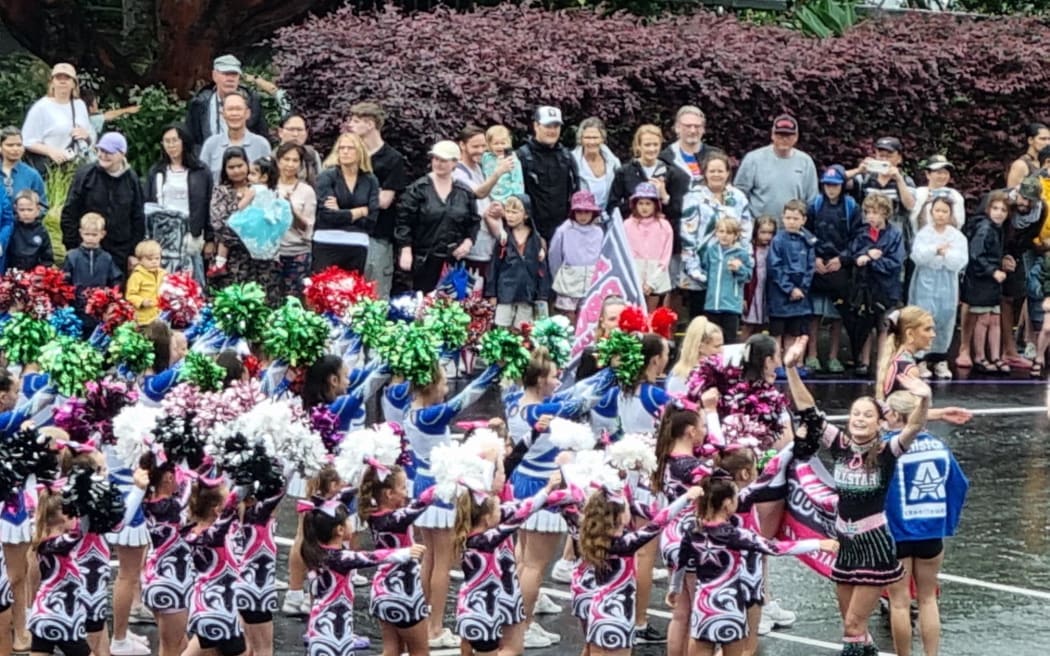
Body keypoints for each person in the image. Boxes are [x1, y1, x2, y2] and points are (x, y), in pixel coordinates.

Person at [782, 342, 931, 656]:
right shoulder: (840, 446)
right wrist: (792, 369)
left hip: (873, 546)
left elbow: (915, 425)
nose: (860, 419)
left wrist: (925, 398)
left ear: (880, 423)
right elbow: (809, 411)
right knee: (853, 631)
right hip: (845, 546)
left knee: (853, 627)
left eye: (867, 415)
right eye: (855, 414)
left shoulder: (886, 452)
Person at [673, 473, 836, 656]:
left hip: (703, 606)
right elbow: (774, 547)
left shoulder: (692, 530)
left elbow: (681, 565)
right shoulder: (734, 534)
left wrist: (674, 589)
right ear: (727, 504)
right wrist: (818, 544)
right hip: (730, 605)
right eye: (736, 497)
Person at [883, 391, 969, 656]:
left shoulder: (887, 447)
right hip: (931, 533)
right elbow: (959, 485)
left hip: (896, 533)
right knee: (928, 598)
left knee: (899, 603)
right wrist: (946, 523)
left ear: (897, 415)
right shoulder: (939, 447)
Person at [577, 481, 702, 656]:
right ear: (619, 517)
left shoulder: (596, 538)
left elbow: (653, 516)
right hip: (618, 616)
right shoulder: (625, 544)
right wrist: (686, 498)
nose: (632, 507)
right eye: (628, 506)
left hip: (597, 612)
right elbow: (657, 523)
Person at [359, 464, 437, 656]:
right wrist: (448, 479)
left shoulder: (373, 515)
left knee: (391, 651)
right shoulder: (396, 519)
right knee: (419, 652)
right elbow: (422, 502)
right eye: (403, 487)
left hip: (382, 592)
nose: (406, 492)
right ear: (388, 493)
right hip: (404, 595)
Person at [395, 141, 480, 293]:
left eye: (444, 160)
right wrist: (405, 250)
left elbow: (473, 222)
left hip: (453, 260)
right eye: (436, 159)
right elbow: (403, 222)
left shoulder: (465, 192)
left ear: (455, 162)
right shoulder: (417, 189)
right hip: (422, 259)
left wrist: (468, 242)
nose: (439, 164)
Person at [349, 101, 409, 299]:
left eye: (356, 121)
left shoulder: (393, 159)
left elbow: (384, 201)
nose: (350, 125)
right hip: (348, 232)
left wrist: (356, 195)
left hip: (377, 235)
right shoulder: (349, 155)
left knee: (375, 295)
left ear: (370, 124)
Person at [680, 151, 752, 317]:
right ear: (705, 173)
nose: (716, 174)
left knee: (727, 323)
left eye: (720, 171)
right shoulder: (694, 197)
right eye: (712, 171)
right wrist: (694, 269)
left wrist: (744, 262)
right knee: (701, 323)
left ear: (728, 173)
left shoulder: (739, 197)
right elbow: (687, 234)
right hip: (701, 269)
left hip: (729, 271)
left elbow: (746, 232)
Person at [60, 132, 145, 273]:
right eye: (101, 150)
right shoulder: (85, 175)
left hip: (119, 252)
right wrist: (74, 248)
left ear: (122, 154)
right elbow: (69, 213)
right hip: (86, 250)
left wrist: (132, 252)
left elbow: (137, 217)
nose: (103, 155)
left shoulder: (132, 179)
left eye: (109, 152)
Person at [144, 124, 213, 282]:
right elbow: (148, 203)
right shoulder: (157, 171)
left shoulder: (201, 171)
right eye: (167, 141)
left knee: (191, 278)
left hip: (190, 234)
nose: (171, 145)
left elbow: (208, 204)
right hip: (163, 235)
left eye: (175, 140)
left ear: (184, 142)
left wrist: (210, 238)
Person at [807, 165, 860, 373]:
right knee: (814, 313)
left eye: (835, 185)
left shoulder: (851, 207)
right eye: (828, 185)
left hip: (839, 266)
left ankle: (833, 356)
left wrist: (843, 258)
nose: (831, 189)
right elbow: (807, 232)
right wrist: (814, 258)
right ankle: (811, 355)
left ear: (842, 186)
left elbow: (857, 237)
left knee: (837, 313)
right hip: (819, 265)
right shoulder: (815, 205)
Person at [209, 147, 281, 300]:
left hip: (261, 257)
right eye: (231, 167)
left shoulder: (261, 188)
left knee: (262, 301)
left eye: (240, 166)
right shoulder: (221, 191)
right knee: (236, 302)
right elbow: (220, 224)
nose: (236, 171)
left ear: (247, 165)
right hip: (234, 257)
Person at [909, 196, 968, 379]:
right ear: (931, 212)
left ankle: (940, 359)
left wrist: (945, 255)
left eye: (945, 211)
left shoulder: (957, 236)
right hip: (926, 280)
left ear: (950, 214)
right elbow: (918, 256)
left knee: (945, 317)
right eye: (937, 210)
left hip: (947, 282)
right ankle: (921, 359)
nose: (940, 215)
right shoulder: (924, 234)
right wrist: (935, 250)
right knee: (924, 317)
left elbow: (960, 261)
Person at [28, 491, 91, 656]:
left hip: (45, 612)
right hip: (61, 617)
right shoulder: (52, 544)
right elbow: (80, 532)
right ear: (64, 516)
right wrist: (89, 508)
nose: (76, 519)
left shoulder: (47, 542)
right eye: (73, 514)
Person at [850, 194, 905, 376]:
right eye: (869, 212)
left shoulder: (895, 234)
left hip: (886, 287)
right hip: (864, 287)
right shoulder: (861, 233)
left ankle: (883, 362)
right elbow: (854, 254)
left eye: (876, 212)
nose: (871, 216)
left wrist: (874, 261)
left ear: (885, 213)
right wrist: (864, 255)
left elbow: (895, 262)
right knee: (865, 324)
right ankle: (863, 361)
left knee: (884, 326)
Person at [455, 125, 514, 282]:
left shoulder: (479, 167)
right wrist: (498, 172)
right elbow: (479, 193)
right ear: (462, 145)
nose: (481, 150)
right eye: (475, 146)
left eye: (483, 146)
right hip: (471, 245)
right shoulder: (458, 171)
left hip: (487, 242)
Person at [312, 133, 377, 274]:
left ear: (360, 152)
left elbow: (372, 219)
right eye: (342, 148)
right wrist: (359, 211)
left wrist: (340, 211)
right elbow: (327, 216)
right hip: (326, 242)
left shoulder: (370, 180)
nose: (345, 152)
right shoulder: (326, 176)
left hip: (357, 244)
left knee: (352, 291)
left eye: (350, 148)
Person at [734, 115, 818, 221]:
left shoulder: (806, 162)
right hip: (760, 230)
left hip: (792, 228)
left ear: (796, 137)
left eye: (788, 136)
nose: (784, 139)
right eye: (780, 135)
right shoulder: (753, 159)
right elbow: (739, 194)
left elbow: (811, 200)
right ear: (772, 135)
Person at [962, 189, 1011, 374]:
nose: (999, 213)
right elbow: (975, 255)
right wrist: (992, 271)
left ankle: (996, 355)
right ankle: (980, 356)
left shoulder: (998, 230)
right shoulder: (984, 228)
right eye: (996, 208)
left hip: (992, 282)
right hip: (981, 280)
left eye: (1003, 210)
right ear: (988, 209)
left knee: (995, 319)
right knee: (983, 319)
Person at [485, 194, 549, 329]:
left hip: (527, 294)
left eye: (515, 212)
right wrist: (492, 294)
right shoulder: (503, 239)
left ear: (526, 215)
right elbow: (494, 267)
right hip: (505, 293)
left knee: (522, 331)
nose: (510, 216)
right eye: (507, 211)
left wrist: (542, 295)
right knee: (501, 329)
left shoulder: (536, 240)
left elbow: (542, 270)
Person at [609, 124, 689, 230]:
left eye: (655, 144)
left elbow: (679, 212)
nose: (652, 149)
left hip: (660, 234)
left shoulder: (672, 173)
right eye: (647, 145)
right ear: (638, 146)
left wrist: (665, 196)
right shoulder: (624, 172)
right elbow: (612, 207)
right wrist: (636, 201)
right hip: (631, 233)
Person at [517, 106, 579, 242]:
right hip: (530, 233)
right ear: (536, 126)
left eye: (556, 126)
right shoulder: (522, 156)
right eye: (548, 126)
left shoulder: (567, 157)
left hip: (563, 232)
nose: (552, 131)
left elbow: (576, 194)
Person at [21, 62, 95, 171]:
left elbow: (90, 135)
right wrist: (51, 151)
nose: (62, 81)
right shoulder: (41, 107)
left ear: (74, 83)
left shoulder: (79, 105)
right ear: (52, 82)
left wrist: (86, 136)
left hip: (75, 165)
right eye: (58, 78)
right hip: (49, 166)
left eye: (67, 78)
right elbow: (27, 140)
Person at [767, 199, 815, 360]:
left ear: (804, 220)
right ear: (783, 218)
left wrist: (802, 288)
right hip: (779, 296)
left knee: (794, 334)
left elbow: (810, 267)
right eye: (788, 218)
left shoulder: (808, 241)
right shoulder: (778, 240)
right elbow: (775, 267)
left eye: (795, 218)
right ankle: (777, 364)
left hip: (800, 298)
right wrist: (789, 288)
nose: (791, 222)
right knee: (777, 333)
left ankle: (791, 364)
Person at [185, 55, 268, 149]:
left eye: (234, 74)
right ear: (214, 76)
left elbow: (263, 137)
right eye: (225, 74)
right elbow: (191, 141)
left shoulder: (252, 102)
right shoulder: (200, 104)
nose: (230, 79)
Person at [548, 190, 603, 324]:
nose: (583, 216)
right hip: (569, 278)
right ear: (573, 212)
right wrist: (558, 276)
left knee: (588, 314)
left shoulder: (599, 232)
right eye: (579, 212)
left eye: (587, 212)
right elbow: (554, 255)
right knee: (567, 317)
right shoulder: (564, 230)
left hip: (591, 279)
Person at [845, 136, 917, 236]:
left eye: (888, 156)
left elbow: (910, 206)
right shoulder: (865, 179)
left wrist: (899, 180)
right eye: (881, 156)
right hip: (867, 235)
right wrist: (858, 170)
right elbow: (837, 181)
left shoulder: (906, 181)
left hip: (896, 237)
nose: (884, 160)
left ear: (899, 158)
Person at [62, 213, 123, 324]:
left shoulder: (106, 258)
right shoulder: (72, 256)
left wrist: (111, 300)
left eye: (94, 235)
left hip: (99, 310)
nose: (90, 238)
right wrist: (66, 302)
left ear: (102, 234)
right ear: (81, 233)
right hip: (76, 309)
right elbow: (64, 281)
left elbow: (116, 281)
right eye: (87, 234)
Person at [198, 92, 272, 182]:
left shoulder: (261, 144)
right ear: (222, 114)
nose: (234, 113)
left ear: (247, 113)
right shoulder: (211, 144)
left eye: (238, 109)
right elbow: (201, 179)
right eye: (230, 109)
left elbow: (269, 179)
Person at [273, 142, 317, 294]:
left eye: (295, 160)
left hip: (297, 253)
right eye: (286, 159)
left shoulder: (306, 191)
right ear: (278, 161)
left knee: (295, 299)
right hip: (271, 253)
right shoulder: (268, 187)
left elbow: (306, 227)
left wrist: (290, 208)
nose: (290, 164)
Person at [702, 217, 753, 343]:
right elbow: (704, 270)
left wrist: (739, 268)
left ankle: (728, 363)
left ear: (736, 235)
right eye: (721, 231)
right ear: (716, 233)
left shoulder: (741, 253)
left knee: (729, 340)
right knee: (711, 339)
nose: (724, 236)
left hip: (731, 306)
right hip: (712, 304)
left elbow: (747, 277)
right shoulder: (711, 251)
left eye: (729, 233)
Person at [624, 182, 674, 310]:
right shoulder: (627, 225)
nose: (644, 207)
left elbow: (666, 257)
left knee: (654, 319)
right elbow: (624, 255)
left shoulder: (664, 225)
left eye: (648, 203)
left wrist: (652, 282)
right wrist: (636, 280)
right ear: (635, 205)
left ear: (655, 205)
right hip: (634, 276)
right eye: (640, 203)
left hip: (658, 277)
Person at [571, 117, 621, 217]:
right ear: (581, 139)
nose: (591, 142)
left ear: (602, 139)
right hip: (582, 219)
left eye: (595, 138)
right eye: (587, 138)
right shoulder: (571, 162)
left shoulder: (614, 163)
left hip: (609, 218)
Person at [665, 316, 724, 395]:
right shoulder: (680, 376)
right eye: (716, 346)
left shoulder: (719, 373)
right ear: (700, 347)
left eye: (721, 345)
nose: (721, 350)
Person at [910, 155, 965, 233]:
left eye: (946, 173)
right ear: (927, 174)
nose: (943, 176)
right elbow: (911, 220)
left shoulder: (955, 195)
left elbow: (959, 223)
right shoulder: (918, 193)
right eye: (939, 173)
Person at [742, 216, 777, 339]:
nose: (767, 236)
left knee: (761, 327)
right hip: (752, 294)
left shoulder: (773, 250)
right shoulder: (748, 250)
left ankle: (755, 355)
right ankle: (740, 355)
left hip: (766, 293)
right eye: (763, 232)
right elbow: (744, 276)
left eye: (770, 233)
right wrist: (744, 297)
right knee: (748, 326)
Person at [0, 127, 47, 208]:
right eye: (10, 145)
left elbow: (42, 205)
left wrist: (29, 216)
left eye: (19, 145)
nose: (15, 149)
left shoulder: (32, 175)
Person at [8, 189, 54, 271]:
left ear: (37, 209)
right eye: (22, 210)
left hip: (34, 274)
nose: (26, 213)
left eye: (30, 210)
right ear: (16, 209)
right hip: (11, 272)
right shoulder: (12, 227)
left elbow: (47, 257)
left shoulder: (42, 231)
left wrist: (40, 272)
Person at [480, 124, 524, 206]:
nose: (500, 147)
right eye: (496, 143)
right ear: (489, 144)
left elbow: (518, 181)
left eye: (503, 143)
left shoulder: (512, 159)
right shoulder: (486, 157)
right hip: (488, 198)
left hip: (507, 200)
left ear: (509, 143)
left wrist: (517, 199)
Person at [275, 114, 323, 186]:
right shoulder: (272, 158)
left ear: (306, 133)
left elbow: (319, 184)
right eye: (291, 129)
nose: (295, 134)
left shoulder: (312, 155)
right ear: (280, 132)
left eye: (300, 130)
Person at [126, 240, 165, 325]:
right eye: (149, 259)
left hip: (160, 316)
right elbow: (130, 295)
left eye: (157, 258)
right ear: (140, 260)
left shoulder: (163, 274)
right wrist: (142, 302)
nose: (154, 261)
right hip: (143, 319)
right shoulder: (137, 276)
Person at [1006, 122, 1050, 188]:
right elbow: (1011, 194)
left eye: (1049, 139)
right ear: (1030, 140)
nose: (1047, 143)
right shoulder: (1020, 165)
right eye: (1043, 139)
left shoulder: (1046, 162)